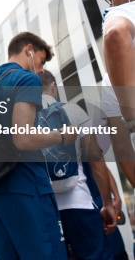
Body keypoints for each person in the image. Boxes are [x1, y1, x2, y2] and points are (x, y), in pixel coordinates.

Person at [0, 32, 75, 260]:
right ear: (29, 50)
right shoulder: (26, 79)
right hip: (26, 186)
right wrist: (62, 136)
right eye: (41, 62)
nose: (40, 70)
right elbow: (22, 138)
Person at [40, 70, 116, 259]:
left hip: (48, 211)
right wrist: (107, 203)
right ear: (54, 87)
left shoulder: (26, 122)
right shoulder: (73, 110)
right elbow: (96, 161)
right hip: (80, 203)